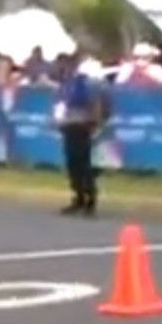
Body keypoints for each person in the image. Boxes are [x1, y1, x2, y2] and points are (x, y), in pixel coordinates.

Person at [54, 52, 110, 216]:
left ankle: (90, 199)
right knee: (72, 164)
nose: (60, 69)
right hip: (69, 125)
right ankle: (78, 196)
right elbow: (61, 105)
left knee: (82, 163)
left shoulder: (84, 83)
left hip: (82, 125)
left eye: (63, 65)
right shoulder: (66, 84)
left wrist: (95, 124)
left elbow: (96, 104)